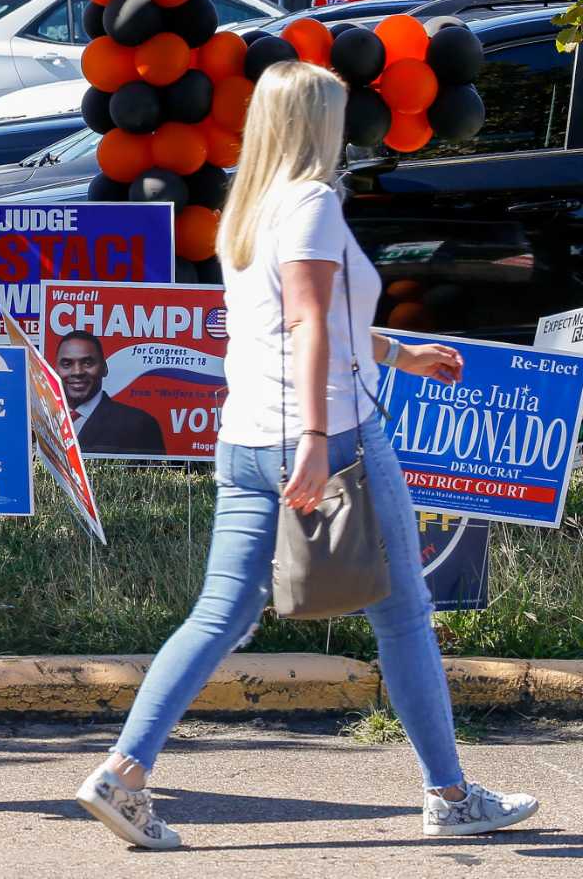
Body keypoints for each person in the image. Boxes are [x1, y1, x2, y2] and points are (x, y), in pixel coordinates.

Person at [74, 62, 539, 849]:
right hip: (330, 435)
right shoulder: (314, 201)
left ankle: (122, 771)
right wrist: (320, 440)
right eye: (338, 111)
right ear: (316, 123)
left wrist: (400, 354)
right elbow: (310, 325)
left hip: (246, 435)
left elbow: (299, 321)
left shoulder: (245, 207)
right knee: (403, 614)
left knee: (220, 613)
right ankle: (451, 795)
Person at [55, 331, 165, 455]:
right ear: (55, 370)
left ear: (104, 368)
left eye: (87, 363)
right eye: (67, 364)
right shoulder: (41, 419)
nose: (77, 372)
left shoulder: (140, 425)